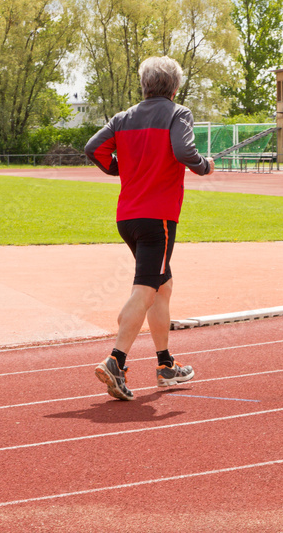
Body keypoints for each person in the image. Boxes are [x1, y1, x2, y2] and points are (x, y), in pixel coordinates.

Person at [84, 56, 215, 400]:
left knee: (162, 286)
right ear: (174, 87)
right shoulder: (177, 113)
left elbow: (93, 149)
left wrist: (119, 169)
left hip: (127, 217)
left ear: (144, 85)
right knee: (145, 289)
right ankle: (116, 360)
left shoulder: (122, 118)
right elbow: (184, 150)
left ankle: (165, 365)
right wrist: (204, 166)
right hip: (157, 218)